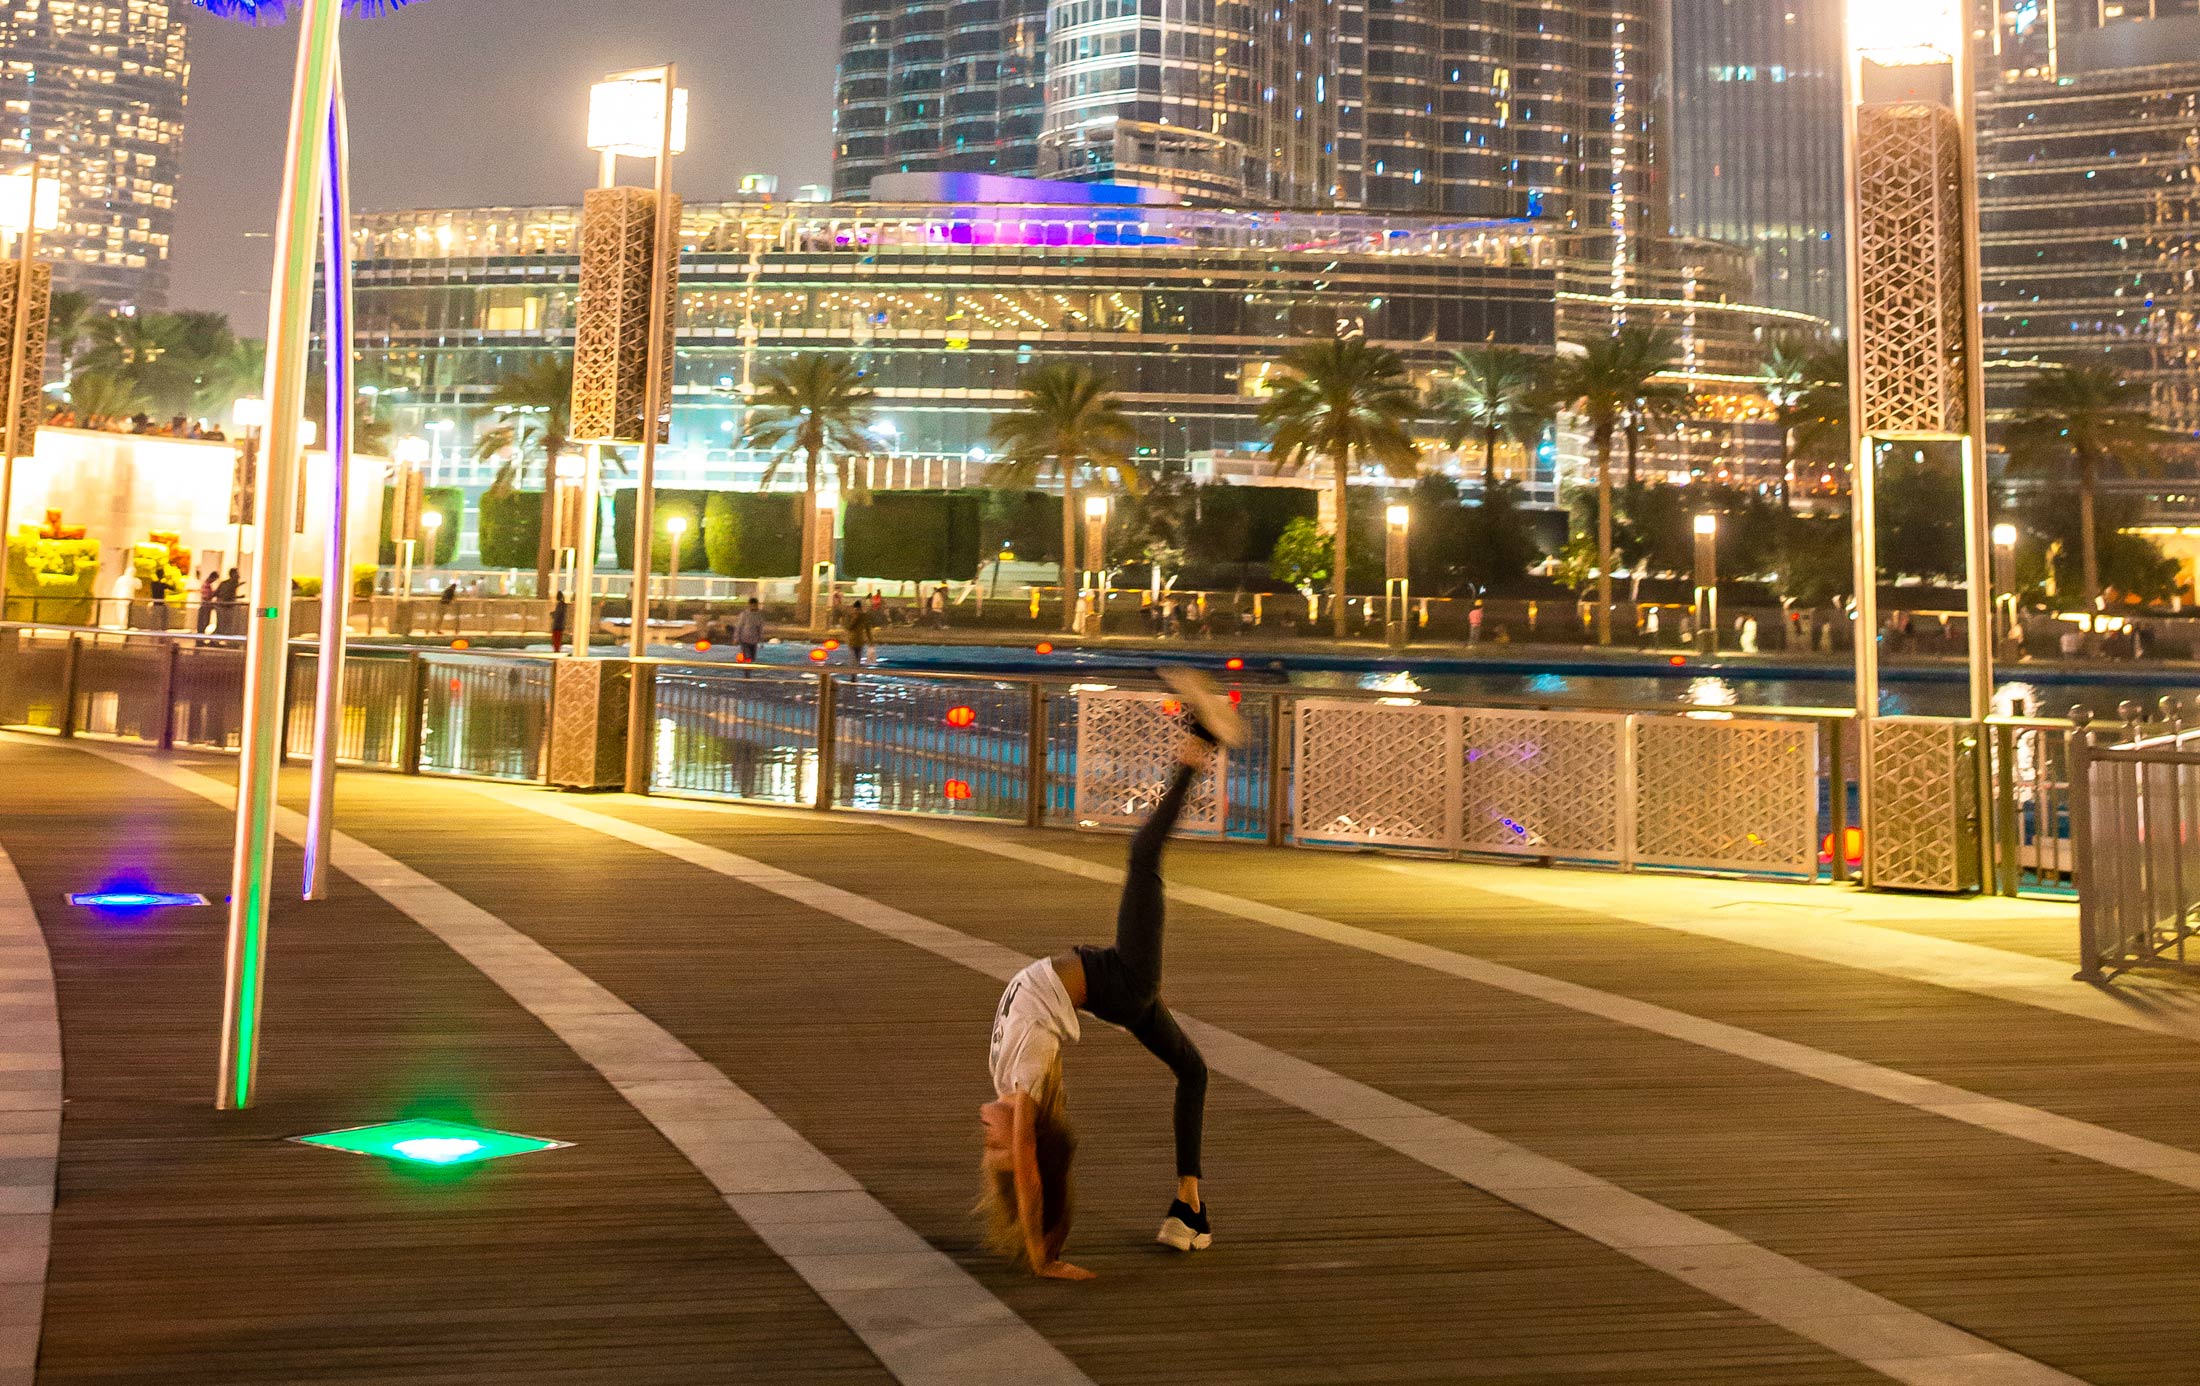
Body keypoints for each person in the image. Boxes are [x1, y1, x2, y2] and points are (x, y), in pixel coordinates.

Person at [979, 667, 1245, 1278]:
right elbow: (1025, 1157)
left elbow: (1018, 1152)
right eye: (993, 1142)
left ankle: (1189, 1209)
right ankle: (1203, 738)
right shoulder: (1023, 1089)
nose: (984, 1130)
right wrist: (1041, 1255)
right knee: (1142, 855)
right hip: (1119, 982)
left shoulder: (1008, 1078)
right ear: (1027, 1141)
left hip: (1116, 990)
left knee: (1192, 1071)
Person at [731, 596, 765, 662]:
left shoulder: (759, 615)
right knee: (747, 657)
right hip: (744, 640)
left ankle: (748, 671)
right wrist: (736, 638)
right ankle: (746, 671)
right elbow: (739, 627)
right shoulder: (744, 615)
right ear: (749, 605)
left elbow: (760, 629)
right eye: (753, 605)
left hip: (754, 641)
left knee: (752, 659)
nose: (754, 607)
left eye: (755, 605)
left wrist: (761, 640)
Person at [844, 600, 876, 665]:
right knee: (854, 662)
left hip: (859, 642)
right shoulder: (850, 616)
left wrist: (871, 644)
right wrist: (854, 619)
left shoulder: (863, 617)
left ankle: (854, 673)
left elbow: (868, 630)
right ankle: (853, 674)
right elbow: (848, 627)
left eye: (858, 610)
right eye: (856, 609)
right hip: (852, 642)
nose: (857, 611)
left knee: (857, 662)